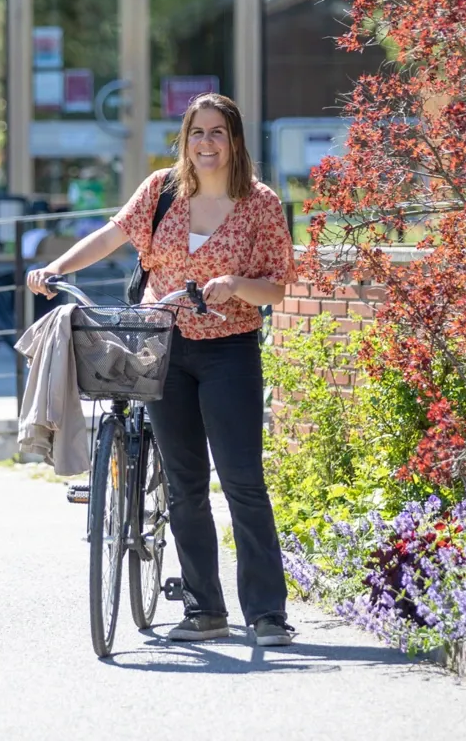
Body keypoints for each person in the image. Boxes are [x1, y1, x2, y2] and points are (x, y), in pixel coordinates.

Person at [26, 93, 298, 647]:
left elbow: (276, 285)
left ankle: (267, 614)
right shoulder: (161, 191)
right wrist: (55, 267)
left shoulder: (260, 203)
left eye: (217, 133)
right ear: (185, 140)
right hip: (162, 350)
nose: (206, 144)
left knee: (244, 482)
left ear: (235, 140)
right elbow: (110, 235)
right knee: (184, 484)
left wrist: (236, 286)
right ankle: (204, 609)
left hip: (229, 350)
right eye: (197, 133)